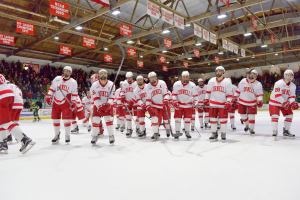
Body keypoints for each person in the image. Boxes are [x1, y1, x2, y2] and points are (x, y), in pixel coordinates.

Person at [0, 74, 35, 154]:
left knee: (5, 122)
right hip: (10, 95)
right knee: (2, 122)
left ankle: (24, 139)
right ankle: (2, 144)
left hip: (2, 96)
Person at [44, 66, 78, 144]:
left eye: (68, 71)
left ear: (70, 73)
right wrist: (49, 95)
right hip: (56, 103)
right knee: (55, 120)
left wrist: (74, 102)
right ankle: (56, 135)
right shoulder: (57, 79)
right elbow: (52, 89)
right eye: (65, 71)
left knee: (66, 120)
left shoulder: (73, 82)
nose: (66, 72)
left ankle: (67, 135)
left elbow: (74, 94)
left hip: (66, 103)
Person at [204, 66, 233, 142]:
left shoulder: (227, 81)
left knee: (223, 120)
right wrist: (206, 99)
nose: (218, 72)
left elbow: (229, 94)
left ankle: (223, 133)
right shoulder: (211, 80)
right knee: (212, 120)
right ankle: (214, 133)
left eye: (220, 71)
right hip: (213, 104)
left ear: (223, 72)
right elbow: (208, 92)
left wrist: (228, 102)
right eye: (217, 71)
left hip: (222, 105)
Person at [269, 69, 298, 139]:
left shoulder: (293, 86)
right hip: (274, 102)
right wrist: (285, 103)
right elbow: (277, 96)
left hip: (284, 103)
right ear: (285, 75)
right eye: (288, 75)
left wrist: (293, 102)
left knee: (290, 115)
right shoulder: (278, 83)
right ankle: (275, 131)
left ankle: (286, 131)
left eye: (291, 75)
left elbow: (291, 96)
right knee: (275, 116)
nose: (289, 76)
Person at [233, 69, 263, 135]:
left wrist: (260, 100)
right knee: (242, 115)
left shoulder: (258, 84)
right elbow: (238, 90)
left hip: (252, 102)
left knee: (252, 116)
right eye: (251, 73)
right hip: (242, 101)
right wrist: (235, 97)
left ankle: (251, 129)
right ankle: (247, 125)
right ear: (248, 74)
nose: (252, 75)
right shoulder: (243, 81)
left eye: (253, 74)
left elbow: (259, 94)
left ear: (256, 76)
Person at [90, 69, 115, 145]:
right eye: (101, 74)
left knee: (108, 119)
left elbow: (112, 97)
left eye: (104, 74)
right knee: (95, 120)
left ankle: (111, 136)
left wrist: (108, 105)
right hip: (98, 105)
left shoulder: (111, 84)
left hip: (108, 104)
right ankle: (94, 136)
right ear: (98, 75)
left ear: (107, 75)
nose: (103, 75)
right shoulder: (94, 85)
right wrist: (99, 106)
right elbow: (95, 97)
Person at [145, 71, 170, 140]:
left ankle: (168, 129)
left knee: (166, 120)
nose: (153, 79)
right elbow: (148, 98)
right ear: (149, 79)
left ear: (156, 77)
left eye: (154, 77)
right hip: (155, 105)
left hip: (163, 105)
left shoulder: (162, 83)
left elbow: (167, 94)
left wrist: (166, 99)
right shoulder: (148, 86)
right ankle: (156, 133)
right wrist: (148, 106)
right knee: (154, 119)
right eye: (151, 78)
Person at [172, 71, 197, 139]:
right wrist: (175, 101)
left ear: (189, 77)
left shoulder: (192, 85)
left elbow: (195, 96)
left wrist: (195, 102)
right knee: (177, 119)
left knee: (187, 119)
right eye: (184, 77)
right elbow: (174, 94)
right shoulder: (176, 84)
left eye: (187, 77)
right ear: (181, 77)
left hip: (188, 106)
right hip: (179, 105)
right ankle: (177, 132)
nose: (185, 78)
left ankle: (187, 131)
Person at [120, 72, 138, 137]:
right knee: (128, 117)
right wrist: (122, 96)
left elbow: (137, 93)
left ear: (132, 77)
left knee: (137, 116)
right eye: (128, 78)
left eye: (130, 78)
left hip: (135, 102)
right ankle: (129, 128)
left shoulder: (136, 84)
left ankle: (138, 128)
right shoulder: (124, 84)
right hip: (127, 103)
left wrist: (133, 99)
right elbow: (122, 91)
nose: (129, 79)